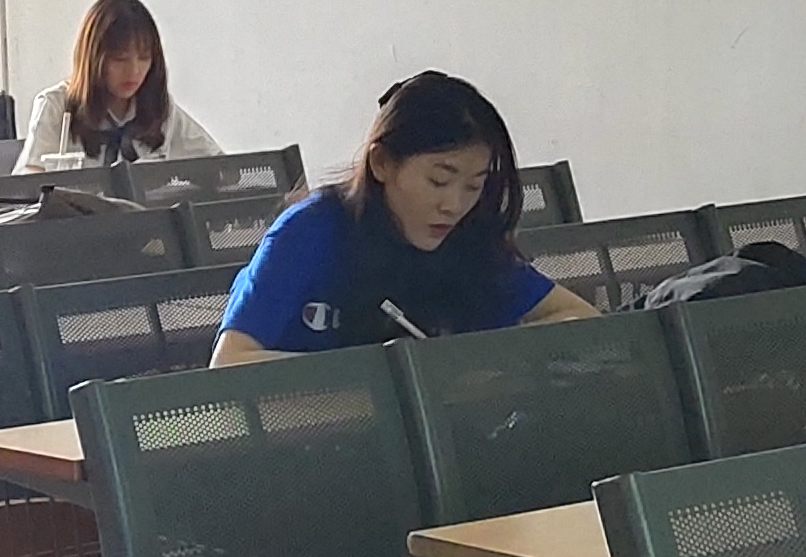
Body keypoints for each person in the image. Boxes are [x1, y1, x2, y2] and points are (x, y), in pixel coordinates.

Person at [211, 73, 593, 363]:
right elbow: (231, 361)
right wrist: (387, 379)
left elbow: (581, 318)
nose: (454, 205)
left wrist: (477, 359)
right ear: (381, 163)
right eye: (438, 181)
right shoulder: (310, 232)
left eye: (474, 186)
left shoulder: (468, 237)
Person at [22, 0, 222, 169]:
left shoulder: (158, 109)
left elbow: (222, 166)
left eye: (144, 58)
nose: (134, 71)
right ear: (93, 59)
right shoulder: (55, 106)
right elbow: (29, 180)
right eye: (120, 59)